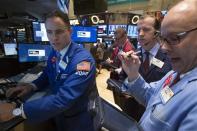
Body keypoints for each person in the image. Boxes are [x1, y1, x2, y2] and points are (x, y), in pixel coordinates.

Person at [0, 10, 96, 131]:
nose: (54, 38)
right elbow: (47, 73)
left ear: (70, 31)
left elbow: (64, 99)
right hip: (58, 115)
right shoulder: (55, 52)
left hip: (77, 121)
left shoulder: (83, 61)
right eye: (49, 32)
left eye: (59, 32)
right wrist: (31, 86)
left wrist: (16, 111)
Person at [119, 0, 197, 130]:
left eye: (174, 38)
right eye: (164, 38)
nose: (164, 48)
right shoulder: (175, 74)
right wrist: (133, 73)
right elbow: (150, 94)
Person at [120, 15, 172, 121]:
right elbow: (122, 78)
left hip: (155, 116)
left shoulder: (170, 57)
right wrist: (126, 88)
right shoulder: (132, 55)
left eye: (146, 30)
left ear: (157, 33)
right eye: (138, 30)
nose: (140, 34)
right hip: (130, 112)